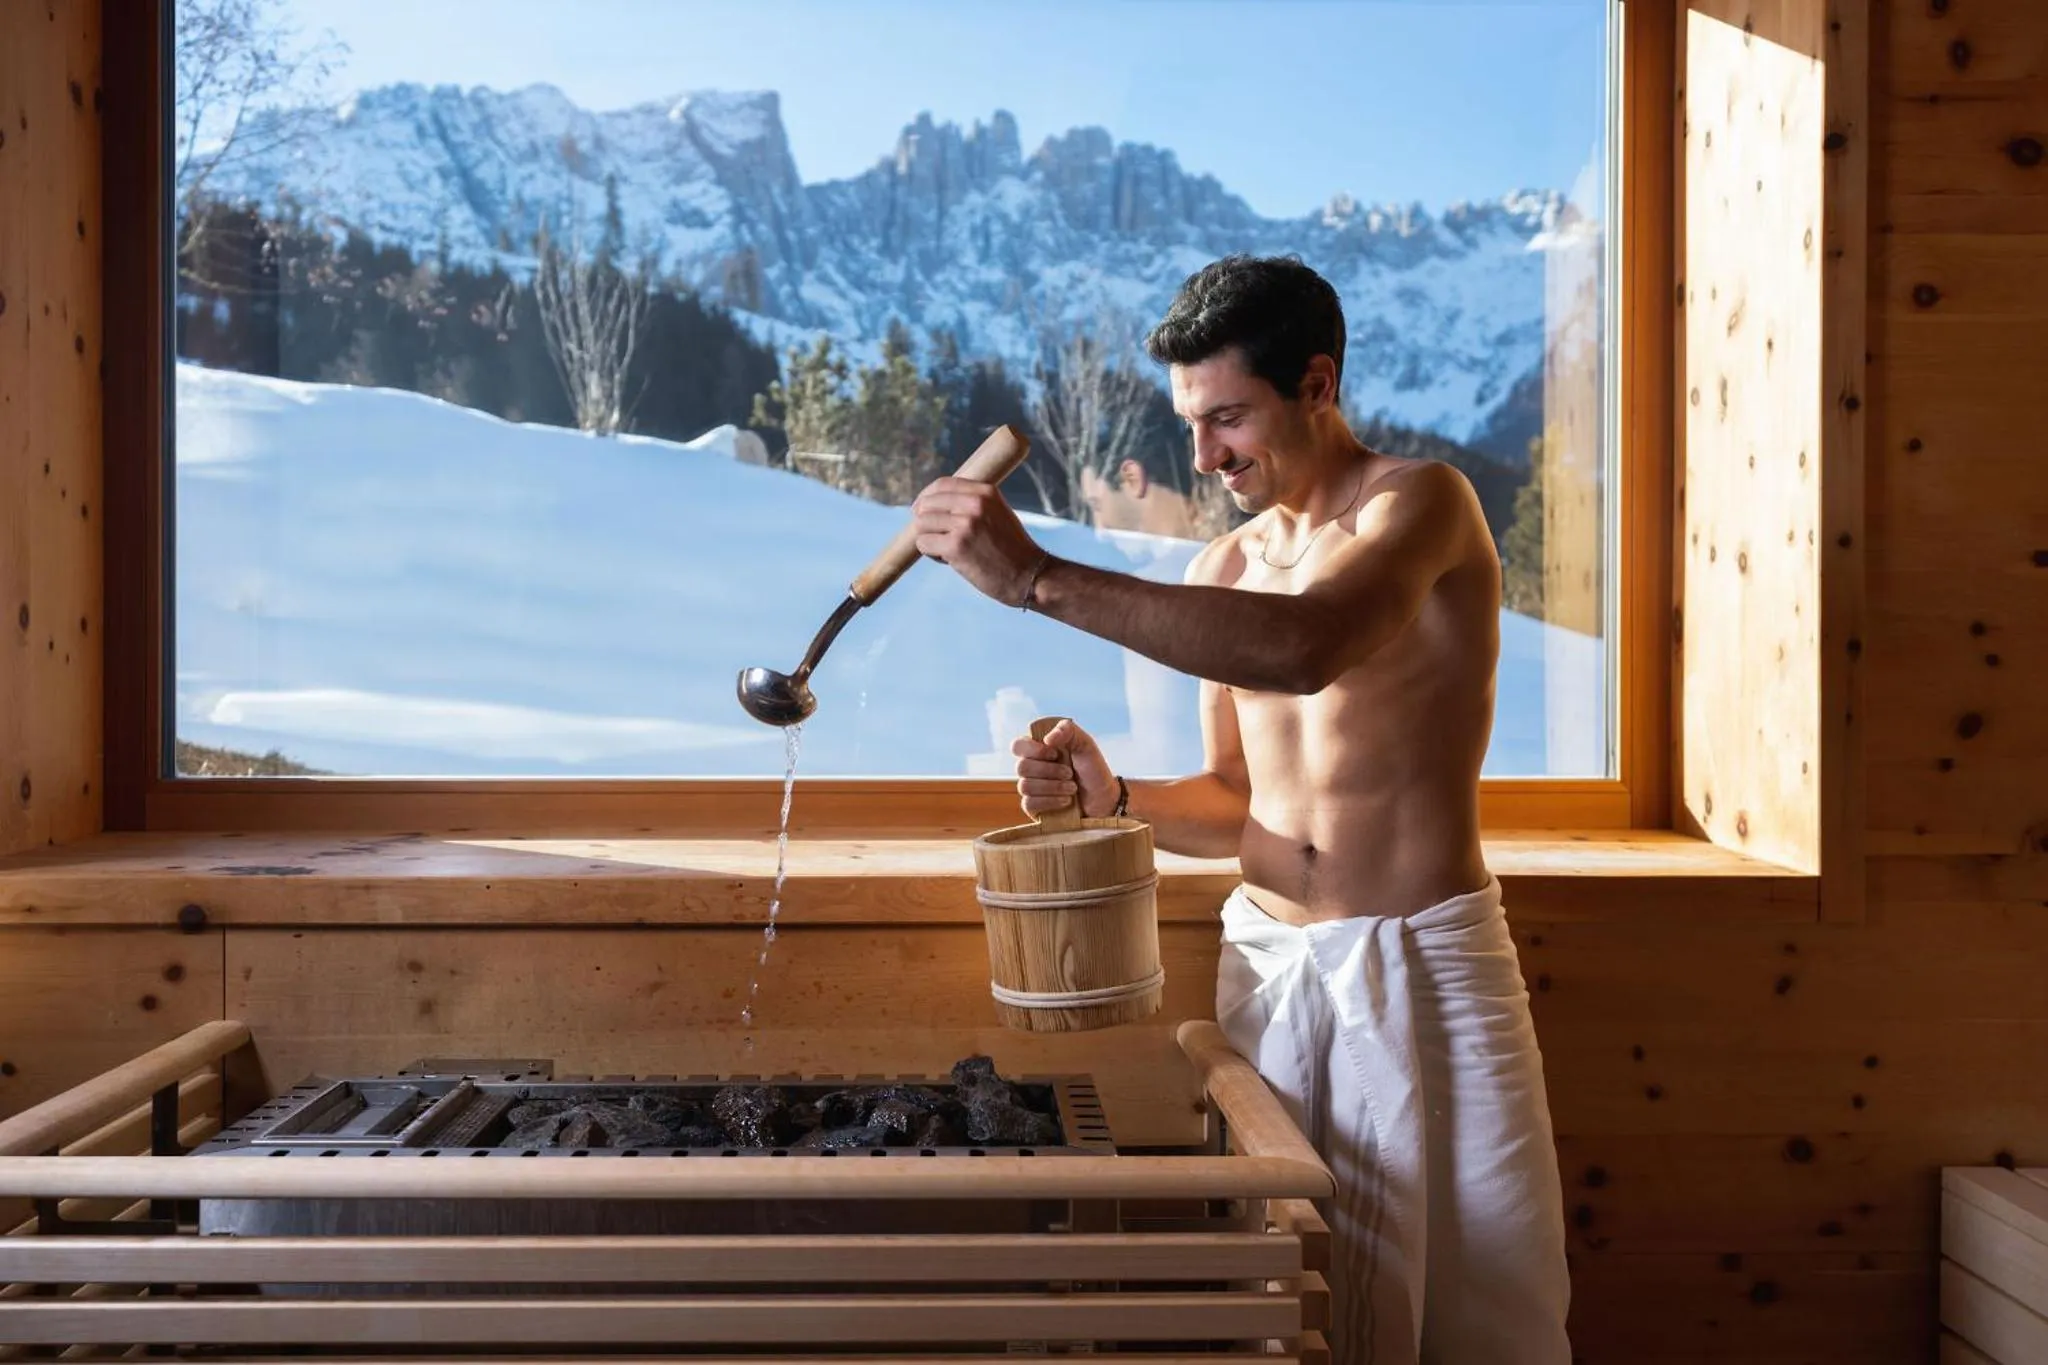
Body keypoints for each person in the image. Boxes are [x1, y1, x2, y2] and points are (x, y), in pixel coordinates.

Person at [909, 254, 1571, 1364]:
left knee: (1487, 1299)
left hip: (1422, 962)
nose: (1205, 456)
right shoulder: (1222, 564)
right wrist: (1107, 796)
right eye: (1190, 425)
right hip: (1268, 967)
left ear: (1315, 386)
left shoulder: (1420, 506)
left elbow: (1305, 648)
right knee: (1281, 1297)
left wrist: (1037, 579)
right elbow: (1235, 803)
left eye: (1228, 419)